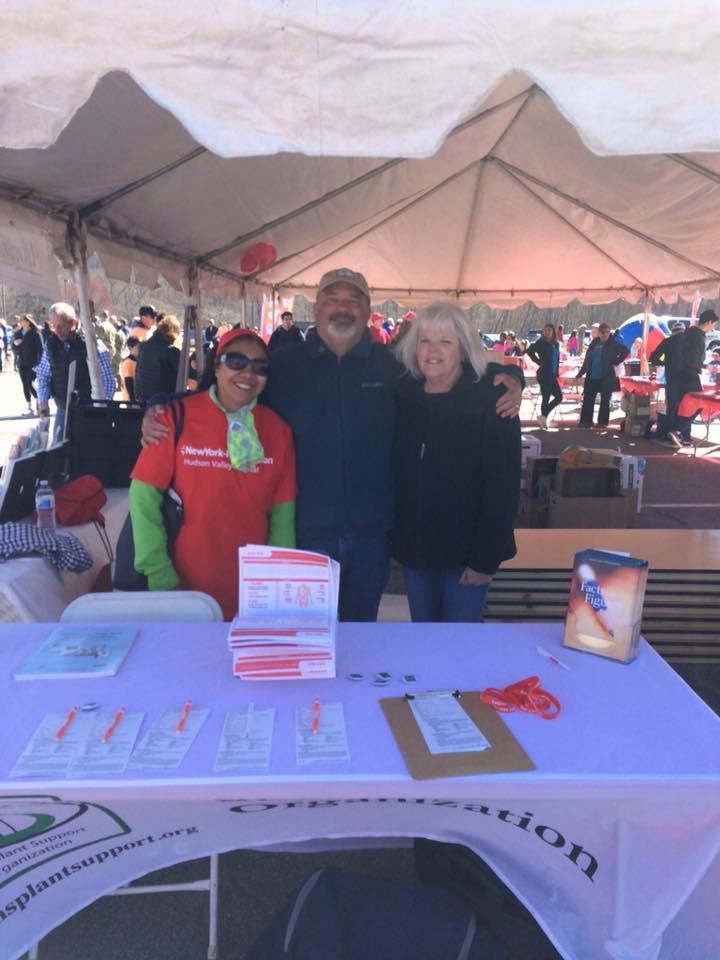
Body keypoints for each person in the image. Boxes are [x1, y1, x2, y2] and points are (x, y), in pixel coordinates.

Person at [142, 267, 524, 621]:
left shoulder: (392, 369)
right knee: (305, 642)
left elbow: (449, 369)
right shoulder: (284, 365)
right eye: (333, 299)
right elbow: (230, 392)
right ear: (317, 306)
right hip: (306, 537)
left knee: (357, 647)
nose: (343, 308)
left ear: (367, 310)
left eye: (353, 301)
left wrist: (508, 374)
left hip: (371, 539)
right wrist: (160, 405)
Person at [129, 327, 296, 619]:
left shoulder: (278, 431)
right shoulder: (172, 418)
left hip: (251, 592)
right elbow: (143, 498)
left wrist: (277, 580)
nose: (247, 373)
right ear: (216, 366)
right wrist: (159, 573)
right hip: (181, 588)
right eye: (236, 362)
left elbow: (282, 518)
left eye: (260, 367)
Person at [392, 302, 520, 622]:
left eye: (445, 341)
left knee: (460, 648)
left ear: (463, 350)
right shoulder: (402, 395)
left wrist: (485, 560)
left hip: (466, 559)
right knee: (425, 644)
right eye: (425, 340)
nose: (433, 350)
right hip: (416, 553)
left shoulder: (492, 401)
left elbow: (502, 487)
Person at [36, 302, 116, 441]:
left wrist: (101, 406)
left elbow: (107, 378)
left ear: (72, 323)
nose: (57, 330)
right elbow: (43, 376)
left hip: (89, 409)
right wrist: (43, 402)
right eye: (53, 326)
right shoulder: (50, 345)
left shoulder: (92, 344)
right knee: (60, 453)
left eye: (61, 325)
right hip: (63, 409)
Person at [655, 309, 719, 445]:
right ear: (708, 322)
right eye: (713, 325)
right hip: (689, 375)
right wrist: (705, 366)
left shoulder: (690, 333)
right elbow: (692, 359)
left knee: (680, 407)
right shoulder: (696, 336)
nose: (713, 328)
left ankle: (677, 434)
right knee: (700, 404)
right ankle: (676, 431)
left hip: (678, 375)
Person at [577, 323, 629, 427]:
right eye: (603, 332)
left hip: (606, 377)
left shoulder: (613, 343)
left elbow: (625, 351)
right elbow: (587, 360)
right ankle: (586, 422)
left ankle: (602, 423)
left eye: (608, 332)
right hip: (592, 377)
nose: (605, 334)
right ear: (599, 333)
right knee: (588, 399)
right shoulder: (594, 343)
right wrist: (580, 374)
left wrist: (617, 361)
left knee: (605, 401)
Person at [134, 314, 183, 403]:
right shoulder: (171, 351)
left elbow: (137, 372)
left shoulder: (143, 347)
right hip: (162, 399)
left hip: (142, 397)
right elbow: (184, 373)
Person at [526, 324, 562, 427]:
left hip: (553, 373)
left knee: (559, 397)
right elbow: (529, 351)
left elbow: (557, 359)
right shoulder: (540, 342)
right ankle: (544, 420)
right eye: (545, 330)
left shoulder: (556, 344)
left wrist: (557, 372)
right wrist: (538, 361)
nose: (546, 332)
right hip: (544, 373)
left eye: (549, 330)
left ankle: (544, 417)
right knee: (546, 397)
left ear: (553, 332)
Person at [13, 314, 43, 415]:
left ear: (28, 321)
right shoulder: (18, 333)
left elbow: (40, 349)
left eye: (22, 320)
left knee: (30, 383)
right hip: (22, 362)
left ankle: (39, 401)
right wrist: (16, 344)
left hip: (32, 362)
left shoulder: (35, 333)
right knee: (25, 384)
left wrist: (39, 363)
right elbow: (14, 348)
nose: (20, 321)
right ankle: (29, 406)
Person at [120, 336, 141, 401]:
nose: (140, 349)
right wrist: (133, 400)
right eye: (138, 347)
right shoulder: (128, 362)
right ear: (130, 348)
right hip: (130, 398)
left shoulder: (137, 361)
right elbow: (128, 381)